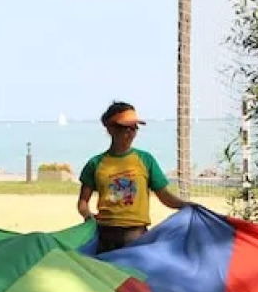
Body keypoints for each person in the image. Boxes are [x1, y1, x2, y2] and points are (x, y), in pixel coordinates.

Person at [77, 102, 187, 253]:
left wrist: (186, 206)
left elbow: (164, 196)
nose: (131, 132)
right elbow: (83, 202)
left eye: (134, 127)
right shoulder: (95, 163)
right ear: (110, 128)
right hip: (104, 235)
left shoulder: (146, 160)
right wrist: (87, 215)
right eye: (125, 127)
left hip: (136, 236)